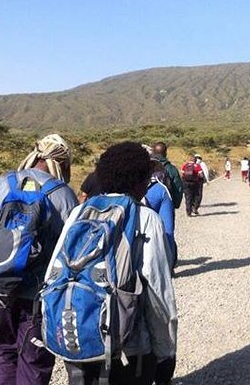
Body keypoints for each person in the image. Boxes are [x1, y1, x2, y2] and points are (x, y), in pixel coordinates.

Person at [0, 134, 79, 385]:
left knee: (3, 349)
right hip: (39, 296)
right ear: (63, 164)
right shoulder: (64, 195)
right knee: (35, 359)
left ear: (35, 155)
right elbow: (71, 253)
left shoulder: (2, 184)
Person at [59, 142, 178, 385]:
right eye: (147, 175)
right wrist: (165, 350)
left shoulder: (79, 213)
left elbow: (57, 270)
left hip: (81, 335)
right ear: (138, 180)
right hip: (131, 347)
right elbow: (158, 291)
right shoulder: (145, 218)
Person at [144, 157, 177, 268]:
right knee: (167, 232)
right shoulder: (161, 188)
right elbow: (169, 230)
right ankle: (168, 265)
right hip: (159, 195)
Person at [152, 141, 184, 210]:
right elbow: (178, 188)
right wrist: (175, 204)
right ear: (165, 153)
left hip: (147, 204)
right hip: (166, 204)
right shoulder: (171, 168)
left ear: (153, 152)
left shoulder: (144, 165)